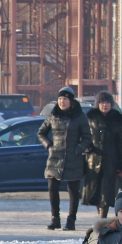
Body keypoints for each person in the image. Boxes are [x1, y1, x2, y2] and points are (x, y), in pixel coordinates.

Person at [38, 86, 92, 231]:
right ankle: (55, 219)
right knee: (52, 188)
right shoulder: (53, 115)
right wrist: (49, 145)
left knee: (73, 190)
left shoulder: (79, 116)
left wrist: (79, 149)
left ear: (71, 100)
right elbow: (41, 133)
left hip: (73, 158)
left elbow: (87, 137)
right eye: (60, 99)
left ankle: (71, 220)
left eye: (65, 99)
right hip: (55, 157)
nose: (62, 102)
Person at [83, 92, 122, 218]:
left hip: (111, 159)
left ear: (111, 104)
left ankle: (103, 216)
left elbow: (120, 142)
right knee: (96, 189)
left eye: (107, 102)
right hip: (94, 158)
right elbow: (85, 137)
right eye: (102, 102)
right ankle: (100, 214)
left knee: (107, 189)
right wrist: (86, 149)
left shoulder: (116, 119)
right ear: (98, 104)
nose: (105, 105)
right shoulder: (91, 119)